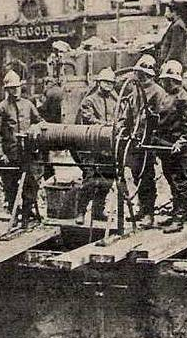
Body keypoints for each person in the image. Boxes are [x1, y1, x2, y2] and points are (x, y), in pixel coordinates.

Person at [0, 70, 44, 225]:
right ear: (7, 90)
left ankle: (27, 215)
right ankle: (14, 215)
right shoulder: (1, 108)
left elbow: (40, 121)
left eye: (17, 87)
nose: (15, 91)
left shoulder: (28, 105)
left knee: (31, 184)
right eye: (11, 88)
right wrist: (1, 155)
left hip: (28, 154)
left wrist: (36, 129)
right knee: (11, 187)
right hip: (10, 155)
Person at [123, 54, 169, 228]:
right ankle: (142, 209)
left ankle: (149, 213)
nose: (139, 77)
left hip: (148, 140)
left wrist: (151, 130)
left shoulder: (158, 92)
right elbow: (129, 113)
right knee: (136, 174)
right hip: (135, 139)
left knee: (146, 176)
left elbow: (162, 117)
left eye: (141, 74)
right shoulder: (135, 90)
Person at [155, 60, 187, 233]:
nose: (164, 83)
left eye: (166, 80)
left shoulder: (185, 99)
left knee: (180, 182)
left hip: (180, 150)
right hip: (166, 148)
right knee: (172, 181)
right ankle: (182, 213)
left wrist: (180, 144)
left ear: (174, 80)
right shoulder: (167, 96)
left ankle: (179, 219)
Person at [72, 68, 120, 222]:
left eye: (111, 83)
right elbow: (88, 119)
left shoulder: (115, 101)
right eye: (105, 82)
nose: (108, 85)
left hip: (108, 148)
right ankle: (80, 212)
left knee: (107, 180)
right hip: (91, 147)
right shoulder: (89, 101)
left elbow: (121, 118)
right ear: (99, 82)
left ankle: (98, 211)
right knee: (90, 180)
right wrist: (106, 125)